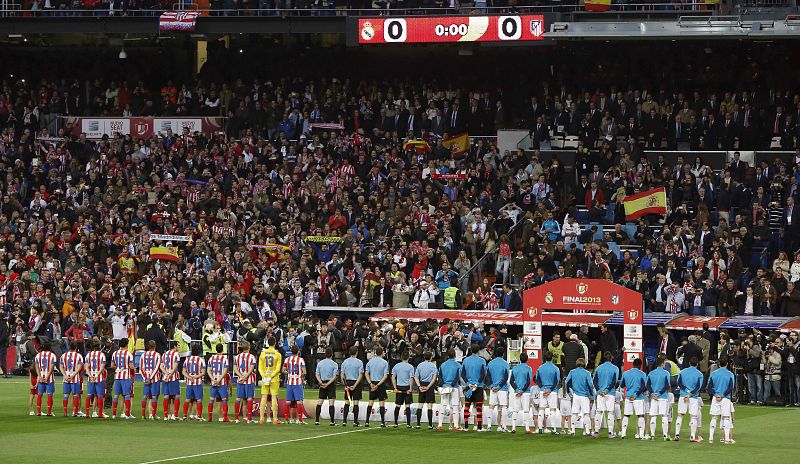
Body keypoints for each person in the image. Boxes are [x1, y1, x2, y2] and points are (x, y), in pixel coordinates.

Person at [707, 355, 736, 444]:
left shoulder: (714, 373)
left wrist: (716, 394)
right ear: (727, 364)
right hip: (726, 398)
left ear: (719, 364)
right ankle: (727, 439)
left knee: (714, 417)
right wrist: (722, 395)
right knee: (726, 418)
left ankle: (711, 437)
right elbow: (731, 387)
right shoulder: (730, 374)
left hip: (716, 398)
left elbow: (709, 387)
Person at [675, 356, 704, 443]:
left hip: (683, 396)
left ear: (689, 363)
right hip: (693, 398)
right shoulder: (699, 374)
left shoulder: (682, 372)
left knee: (680, 415)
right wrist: (690, 394)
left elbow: (679, 383)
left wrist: (686, 391)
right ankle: (692, 436)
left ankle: (677, 434)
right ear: (697, 364)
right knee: (693, 417)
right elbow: (699, 387)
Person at [564, 358, 596, 436]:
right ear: (584, 364)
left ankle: (573, 430)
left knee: (574, 413)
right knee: (586, 413)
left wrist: (569, 392)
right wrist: (591, 394)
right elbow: (590, 385)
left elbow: (566, 382)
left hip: (575, 395)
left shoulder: (572, 372)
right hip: (585, 396)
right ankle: (587, 431)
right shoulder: (587, 373)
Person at [593, 351, 620, 438]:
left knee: (599, 412)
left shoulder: (598, 368)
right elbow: (614, 381)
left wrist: (600, 390)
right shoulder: (615, 368)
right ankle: (610, 433)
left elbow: (595, 381)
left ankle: (596, 432)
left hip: (600, 394)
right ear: (611, 358)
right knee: (610, 412)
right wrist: (607, 390)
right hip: (610, 393)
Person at [461, 344, 487, 431]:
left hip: (469, 386)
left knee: (467, 406)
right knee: (479, 407)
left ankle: (466, 426)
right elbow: (483, 374)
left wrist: (468, 383)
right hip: (478, 386)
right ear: (479, 350)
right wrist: (476, 384)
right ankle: (479, 427)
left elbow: (463, 374)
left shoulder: (465, 360)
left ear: (471, 350)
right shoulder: (482, 361)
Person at [619, 357, 647, 439]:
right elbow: (643, 387)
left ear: (633, 364)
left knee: (626, 416)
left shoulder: (626, 373)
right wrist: (636, 395)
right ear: (640, 365)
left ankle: (623, 433)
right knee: (640, 416)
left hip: (628, 397)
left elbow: (622, 385)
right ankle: (641, 434)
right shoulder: (642, 374)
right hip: (638, 398)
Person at [535, 351, 561, 435]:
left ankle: (539, 428)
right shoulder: (555, 368)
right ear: (552, 358)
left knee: (541, 409)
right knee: (552, 410)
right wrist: (549, 390)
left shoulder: (540, 368)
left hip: (543, 391)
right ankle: (553, 429)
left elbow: (537, 380)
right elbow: (556, 381)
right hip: (552, 392)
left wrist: (543, 388)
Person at [646, 355, 672, 441]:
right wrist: (660, 393)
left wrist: (654, 393)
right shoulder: (666, 373)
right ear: (662, 363)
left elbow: (648, 385)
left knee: (653, 416)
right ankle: (665, 435)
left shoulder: (651, 373)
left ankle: (652, 435)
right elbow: (667, 385)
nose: (665, 364)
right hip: (663, 397)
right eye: (664, 363)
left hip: (654, 397)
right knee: (664, 416)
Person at [258, 336, 283, 425]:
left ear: (268, 343)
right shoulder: (277, 354)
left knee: (264, 397)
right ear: (275, 343)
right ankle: (275, 419)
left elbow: (260, 367)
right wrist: (271, 376)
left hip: (265, 378)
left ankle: (261, 419)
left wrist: (264, 376)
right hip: (274, 379)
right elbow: (277, 368)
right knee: (273, 397)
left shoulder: (263, 353)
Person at [486, 346, 510, 432]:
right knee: (503, 407)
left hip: (493, 389)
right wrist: (499, 386)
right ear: (503, 354)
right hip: (502, 388)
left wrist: (492, 385)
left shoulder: (491, 363)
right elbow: (506, 377)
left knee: (491, 407)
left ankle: (489, 426)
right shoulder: (505, 363)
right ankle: (503, 427)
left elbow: (488, 376)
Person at [282, 345, 308, 424]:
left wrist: (289, 373)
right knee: (299, 401)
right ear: (298, 351)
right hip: (298, 383)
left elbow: (283, 370)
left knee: (288, 401)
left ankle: (287, 419)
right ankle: (299, 420)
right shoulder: (300, 360)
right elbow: (304, 372)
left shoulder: (287, 359)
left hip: (289, 383)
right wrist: (301, 376)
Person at [437, 349, 462, 431]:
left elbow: (440, 376)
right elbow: (457, 377)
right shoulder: (458, 365)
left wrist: (444, 384)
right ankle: (456, 426)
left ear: (447, 355)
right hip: (454, 388)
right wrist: (451, 385)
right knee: (455, 406)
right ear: (455, 355)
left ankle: (440, 425)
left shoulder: (443, 365)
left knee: (443, 405)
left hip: (445, 387)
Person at [365, 346, 390, 428]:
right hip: (380, 383)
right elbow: (385, 375)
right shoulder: (385, 362)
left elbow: (366, 373)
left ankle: (367, 421)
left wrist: (370, 383)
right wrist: (378, 385)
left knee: (371, 402)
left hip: (372, 382)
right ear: (382, 353)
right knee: (381, 403)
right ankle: (382, 422)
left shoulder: (370, 362)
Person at [509, 352, 533, 434]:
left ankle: (513, 427)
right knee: (526, 410)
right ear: (527, 359)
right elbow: (528, 381)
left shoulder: (515, 368)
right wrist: (522, 390)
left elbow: (511, 381)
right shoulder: (528, 368)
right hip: (525, 392)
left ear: (520, 359)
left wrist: (517, 389)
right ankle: (527, 428)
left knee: (515, 410)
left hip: (516, 392)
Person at [234, 341, 257, 424]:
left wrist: (241, 376)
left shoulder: (237, 357)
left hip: (240, 380)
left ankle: (237, 418)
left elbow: (235, 369)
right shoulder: (251, 357)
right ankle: (249, 418)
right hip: (249, 380)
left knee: (239, 399)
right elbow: (251, 369)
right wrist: (245, 377)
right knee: (249, 398)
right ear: (249, 347)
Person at [111, 338, 135, 419]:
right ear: (127, 344)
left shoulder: (115, 353)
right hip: (125, 377)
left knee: (116, 395)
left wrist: (118, 367)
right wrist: (132, 368)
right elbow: (131, 366)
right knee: (127, 395)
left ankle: (114, 414)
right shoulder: (128, 354)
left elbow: (112, 366)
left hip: (117, 376)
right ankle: (127, 414)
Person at [341, 346, 365, 427]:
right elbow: (360, 375)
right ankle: (355, 422)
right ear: (357, 352)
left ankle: (344, 421)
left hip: (347, 381)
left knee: (347, 402)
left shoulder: (345, 362)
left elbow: (342, 374)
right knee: (355, 402)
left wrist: (345, 385)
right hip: (356, 382)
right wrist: (355, 385)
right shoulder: (359, 362)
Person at [59, 341, 84, 417]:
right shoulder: (79, 356)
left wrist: (65, 375)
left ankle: (65, 412)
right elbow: (79, 368)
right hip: (75, 378)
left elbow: (61, 367)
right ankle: (75, 412)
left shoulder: (63, 356)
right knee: (75, 395)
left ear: (69, 347)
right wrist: (73, 375)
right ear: (76, 347)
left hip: (66, 377)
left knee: (66, 395)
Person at [84, 339, 107, 419]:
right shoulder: (101, 355)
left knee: (89, 395)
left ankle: (87, 413)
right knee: (100, 396)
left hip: (91, 378)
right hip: (99, 378)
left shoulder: (88, 355)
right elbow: (102, 367)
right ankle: (100, 414)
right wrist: (97, 375)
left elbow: (86, 367)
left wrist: (90, 375)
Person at [391, 350, 415, 429]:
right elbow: (411, 378)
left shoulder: (396, 366)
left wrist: (395, 387)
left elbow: (393, 377)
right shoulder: (410, 367)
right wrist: (411, 389)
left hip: (399, 387)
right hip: (407, 387)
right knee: (407, 406)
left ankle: (395, 423)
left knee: (398, 405)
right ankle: (408, 424)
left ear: (401, 357)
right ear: (408, 357)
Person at [207, 344, 231, 422]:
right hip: (221, 383)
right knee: (224, 400)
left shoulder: (211, 358)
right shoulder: (224, 358)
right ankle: (225, 417)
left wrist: (213, 379)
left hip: (213, 382)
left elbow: (208, 370)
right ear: (222, 350)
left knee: (211, 400)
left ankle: (210, 417)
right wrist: (219, 379)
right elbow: (225, 371)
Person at [414, 351, 438, 429]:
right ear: (431, 357)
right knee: (429, 406)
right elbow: (434, 378)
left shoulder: (420, 365)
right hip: (429, 386)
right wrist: (428, 387)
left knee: (420, 404)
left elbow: (416, 377)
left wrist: (419, 386)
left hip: (421, 384)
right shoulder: (433, 366)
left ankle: (418, 424)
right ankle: (430, 425)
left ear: (424, 357)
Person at [315, 348, 338, 426]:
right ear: (332, 354)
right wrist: (328, 384)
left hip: (322, 383)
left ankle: (317, 420)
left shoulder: (320, 363)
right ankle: (332, 421)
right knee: (331, 402)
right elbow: (334, 376)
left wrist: (321, 382)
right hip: (330, 384)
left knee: (320, 401)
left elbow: (317, 374)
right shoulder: (334, 364)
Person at [139, 340, 162, 420]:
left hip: (146, 378)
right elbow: (156, 368)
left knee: (145, 396)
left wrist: (145, 378)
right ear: (155, 346)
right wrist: (150, 378)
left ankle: (143, 415)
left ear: (148, 346)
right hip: (154, 379)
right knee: (154, 396)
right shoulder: (157, 355)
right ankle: (153, 415)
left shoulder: (143, 355)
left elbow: (141, 369)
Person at [183, 345, 206, 421]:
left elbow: (183, 371)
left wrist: (189, 377)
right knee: (198, 400)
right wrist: (195, 377)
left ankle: (185, 416)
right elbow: (203, 372)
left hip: (189, 383)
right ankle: (199, 416)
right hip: (197, 383)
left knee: (188, 399)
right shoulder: (201, 360)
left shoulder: (187, 360)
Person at [33, 342, 57, 416]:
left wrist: (39, 376)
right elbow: (52, 367)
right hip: (49, 378)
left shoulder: (38, 355)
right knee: (50, 395)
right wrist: (47, 376)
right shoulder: (52, 355)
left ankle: (38, 412)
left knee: (39, 395)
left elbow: (36, 366)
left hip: (40, 378)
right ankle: (49, 412)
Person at [160, 341, 181, 421]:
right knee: (176, 395)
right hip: (173, 377)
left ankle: (166, 416)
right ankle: (174, 415)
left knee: (166, 396)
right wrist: (170, 374)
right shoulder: (176, 354)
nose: (179, 347)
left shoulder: (164, 354)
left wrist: (166, 373)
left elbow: (161, 366)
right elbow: (175, 366)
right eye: (178, 346)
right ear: (174, 346)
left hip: (165, 377)